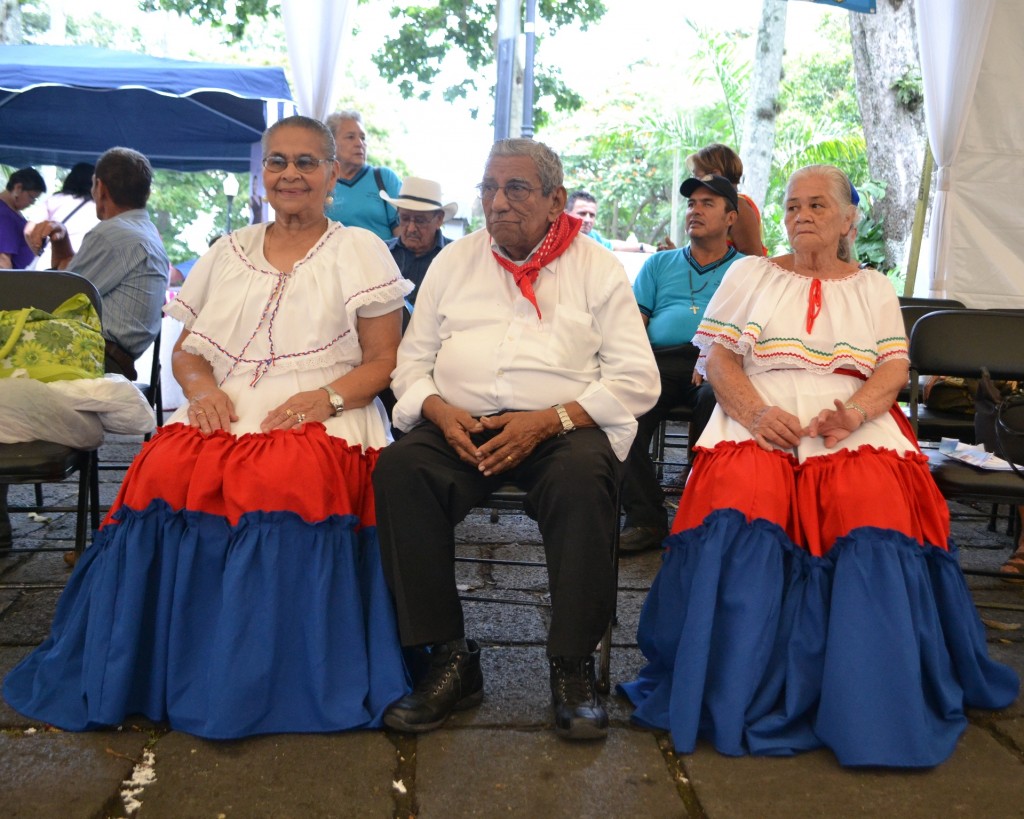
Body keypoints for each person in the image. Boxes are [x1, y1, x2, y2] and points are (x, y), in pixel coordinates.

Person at [3, 115, 413, 739]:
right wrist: (201, 391)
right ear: (262, 176)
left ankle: (257, 679)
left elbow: (383, 361)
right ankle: (158, 667)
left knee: (283, 477)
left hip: (331, 402)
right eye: (278, 162)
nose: (291, 174)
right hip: (227, 397)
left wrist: (324, 399)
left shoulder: (360, 249)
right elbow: (188, 351)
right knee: (159, 468)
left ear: (333, 174)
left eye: (307, 162)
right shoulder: (229, 251)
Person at [619, 164, 1018, 768]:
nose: (800, 215)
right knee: (740, 505)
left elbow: (891, 370)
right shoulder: (750, 273)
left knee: (873, 512)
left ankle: (869, 698)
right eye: (791, 206)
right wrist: (754, 414)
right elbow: (720, 361)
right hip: (759, 410)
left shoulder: (873, 286)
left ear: (848, 219)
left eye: (816, 206)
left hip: (852, 415)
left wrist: (855, 413)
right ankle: (735, 686)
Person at [373, 138, 660, 741]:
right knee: (401, 471)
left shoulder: (595, 266)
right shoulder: (456, 262)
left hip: (561, 424)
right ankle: (449, 658)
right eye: (488, 189)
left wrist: (551, 419)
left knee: (586, 482)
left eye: (516, 189)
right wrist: (434, 407)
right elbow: (411, 362)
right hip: (461, 420)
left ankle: (572, 664)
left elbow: (638, 380)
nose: (498, 203)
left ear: (556, 199)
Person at [619, 174, 744, 553]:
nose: (695, 210)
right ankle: (646, 518)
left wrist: (712, 359)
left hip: (721, 361)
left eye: (708, 204)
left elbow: (753, 330)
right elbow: (632, 324)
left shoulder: (748, 270)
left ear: (730, 219)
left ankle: (701, 518)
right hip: (660, 360)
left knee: (714, 401)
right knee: (618, 415)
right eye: (691, 204)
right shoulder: (659, 264)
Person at [30, 148, 169, 382]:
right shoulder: (146, 232)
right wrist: (61, 238)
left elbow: (56, 299)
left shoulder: (112, 234)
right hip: (115, 357)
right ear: (146, 193)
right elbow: (72, 280)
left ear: (100, 187)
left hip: (94, 356)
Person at [672, 143, 767, 258]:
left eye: (697, 177)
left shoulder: (738, 205)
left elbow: (753, 258)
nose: (696, 183)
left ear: (715, 174)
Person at [323, 109, 402, 241]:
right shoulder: (322, 181)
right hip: (332, 259)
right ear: (332, 144)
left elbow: (402, 235)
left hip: (379, 258)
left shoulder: (384, 178)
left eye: (363, 138)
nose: (360, 143)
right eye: (350, 137)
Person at [382, 175, 458, 311]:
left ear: (439, 219)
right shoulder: (382, 253)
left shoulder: (456, 256)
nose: (411, 228)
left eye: (420, 220)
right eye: (404, 218)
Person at [29, 162, 100, 267]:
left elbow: (29, 230)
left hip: (50, 260)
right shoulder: (99, 207)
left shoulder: (55, 200)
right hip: (82, 264)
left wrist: (38, 251)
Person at [566, 190, 657, 253]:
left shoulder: (592, 237)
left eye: (592, 215)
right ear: (566, 214)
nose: (587, 220)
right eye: (582, 214)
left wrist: (642, 246)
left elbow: (612, 244)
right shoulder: (555, 236)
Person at [0, 167, 46, 269]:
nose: (32, 203)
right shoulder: (4, 216)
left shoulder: (11, 212)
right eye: (31, 197)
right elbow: (2, 261)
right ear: (18, 188)